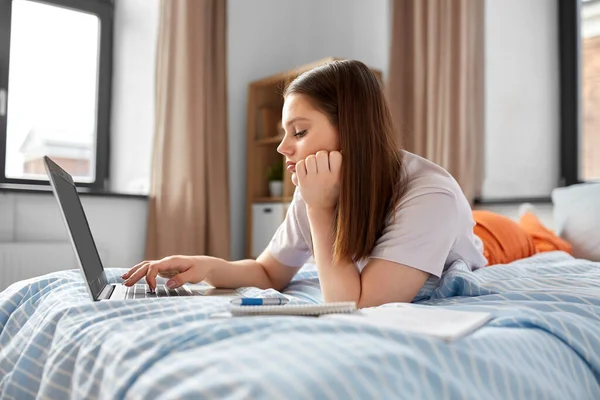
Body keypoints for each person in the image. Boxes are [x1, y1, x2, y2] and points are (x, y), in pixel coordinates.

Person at [122, 60, 572, 307]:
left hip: (492, 239)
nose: (283, 149)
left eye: (298, 132)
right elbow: (268, 272)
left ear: (352, 130)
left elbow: (357, 307)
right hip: (440, 229)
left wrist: (319, 211)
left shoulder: (427, 192)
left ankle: (539, 226)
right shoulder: (317, 187)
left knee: (541, 239)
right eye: (284, 133)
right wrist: (205, 266)